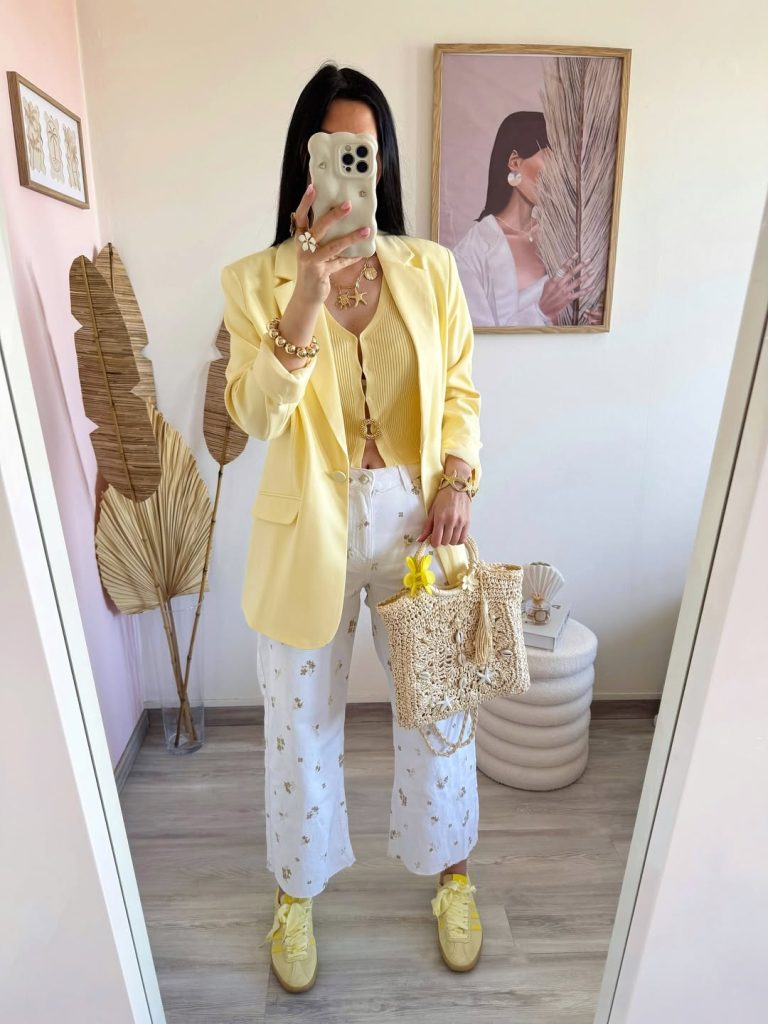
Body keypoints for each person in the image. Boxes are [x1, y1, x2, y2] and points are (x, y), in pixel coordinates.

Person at [220, 62, 484, 993]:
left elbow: (460, 391)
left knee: (440, 712)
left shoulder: (431, 268)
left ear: (382, 160)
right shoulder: (254, 282)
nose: (349, 164)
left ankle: (453, 877)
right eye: (332, 148)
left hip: (417, 520)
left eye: (362, 149)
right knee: (299, 726)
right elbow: (256, 414)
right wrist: (306, 290)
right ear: (306, 160)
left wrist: (457, 478)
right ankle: (294, 893)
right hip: (309, 529)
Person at [452, 110, 598, 327]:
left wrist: (593, 320)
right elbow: (475, 336)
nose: (558, 176)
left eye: (563, 166)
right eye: (551, 160)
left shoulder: (564, 238)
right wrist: (540, 311)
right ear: (514, 162)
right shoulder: (472, 252)